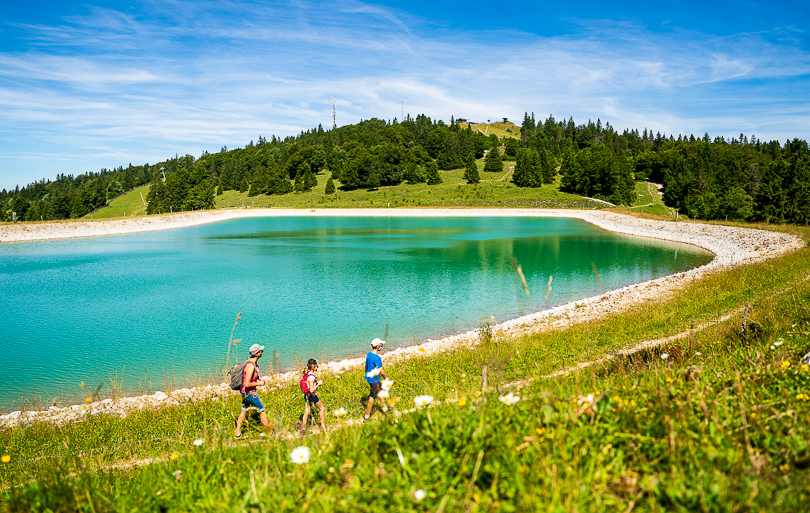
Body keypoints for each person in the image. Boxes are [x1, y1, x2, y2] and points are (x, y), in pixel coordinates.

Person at [235, 343, 271, 439]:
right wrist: (259, 384)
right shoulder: (251, 366)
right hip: (250, 393)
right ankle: (270, 433)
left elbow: (250, 375)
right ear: (256, 353)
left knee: (243, 412)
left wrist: (259, 378)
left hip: (244, 393)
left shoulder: (249, 362)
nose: (262, 352)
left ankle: (237, 433)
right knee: (262, 411)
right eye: (260, 351)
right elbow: (247, 384)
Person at [364, 338, 389, 421]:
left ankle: (385, 408)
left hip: (369, 378)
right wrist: (385, 378)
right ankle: (366, 416)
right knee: (372, 397)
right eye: (381, 345)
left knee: (380, 392)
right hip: (375, 380)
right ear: (378, 346)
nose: (381, 347)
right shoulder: (377, 358)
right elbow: (381, 371)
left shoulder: (369, 354)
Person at [301, 358, 327, 432]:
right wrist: (318, 384)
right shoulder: (312, 377)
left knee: (306, 411)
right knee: (322, 408)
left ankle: (303, 429)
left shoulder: (308, 375)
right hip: (312, 396)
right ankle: (323, 426)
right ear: (313, 367)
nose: (317, 367)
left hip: (307, 396)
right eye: (316, 366)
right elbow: (311, 390)